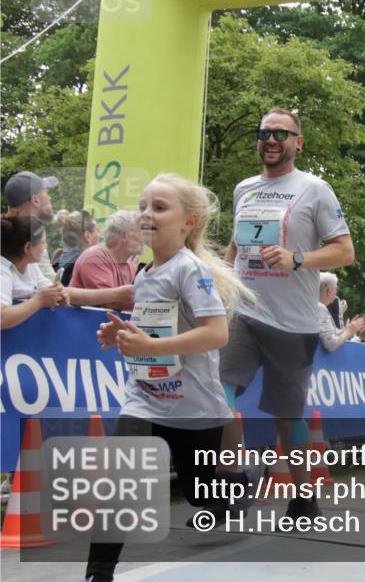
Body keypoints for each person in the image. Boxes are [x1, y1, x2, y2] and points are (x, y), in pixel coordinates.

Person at [84, 173, 255, 582]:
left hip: (195, 408)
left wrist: (150, 348)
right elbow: (152, 330)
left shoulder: (189, 270)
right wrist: (120, 334)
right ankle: (98, 573)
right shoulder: (143, 274)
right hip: (144, 398)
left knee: (201, 494)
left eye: (159, 208)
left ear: (188, 222)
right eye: (143, 206)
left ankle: (239, 486)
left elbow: (217, 333)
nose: (146, 214)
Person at [218, 107, 355, 522]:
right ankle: (232, 483)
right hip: (244, 311)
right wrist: (220, 283)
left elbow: (344, 251)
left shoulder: (315, 189)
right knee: (218, 392)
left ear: (298, 142)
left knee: (286, 416)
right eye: (264, 132)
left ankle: (303, 494)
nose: (271, 139)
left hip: (293, 322)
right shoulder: (244, 189)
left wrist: (296, 258)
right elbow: (235, 247)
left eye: (281, 133)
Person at [1, 214, 134, 330]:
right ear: (28, 248)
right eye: (42, 243)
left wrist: (60, 294)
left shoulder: (31, 266)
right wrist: (39, 301)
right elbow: (2, 318)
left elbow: (51, 290)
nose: (45, 247)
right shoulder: (3, 271)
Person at [70, 210, 141, 311]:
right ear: (125, 235)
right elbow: (111, 303)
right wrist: (154, 305)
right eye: (140, 232)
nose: (145, 238)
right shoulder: (95, 258)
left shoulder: (128, 264)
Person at [3, 171, 59, 279]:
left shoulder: (10, 233)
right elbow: (52, 288)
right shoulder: (29, 237)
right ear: (35, 200)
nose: (50, 198)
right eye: (46, 193)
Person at [317, 273, 365, 352]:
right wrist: (349, 331)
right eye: (336, 289)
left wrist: (349, 328)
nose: (337, 292)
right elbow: (330, 344)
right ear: (329, 292)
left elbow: (332, 332)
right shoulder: (320, 308)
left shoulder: (316, 306)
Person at [52, 210, 100, 286]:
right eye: (97, 231)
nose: (98, 235)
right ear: (87, 236)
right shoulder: (89, 264)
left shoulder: (58, 257)